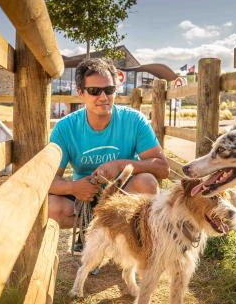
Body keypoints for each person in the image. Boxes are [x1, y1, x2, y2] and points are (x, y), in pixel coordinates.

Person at [48, 58, 169, 248]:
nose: (103, 97)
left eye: (109, 90)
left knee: (147, 182)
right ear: (81, 93)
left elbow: (163, 168)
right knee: (50, 207)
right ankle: (88, 230)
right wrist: (74, 188)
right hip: (84, 198)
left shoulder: (134, 120)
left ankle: (132, 238)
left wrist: (122, 165)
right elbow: (48, 181)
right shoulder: (65, 128)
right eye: (94, 91)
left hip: (122, 193)